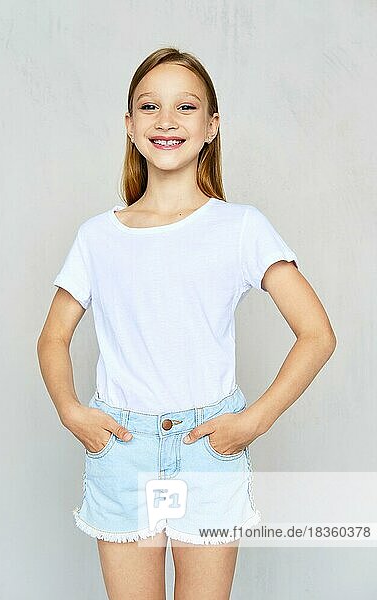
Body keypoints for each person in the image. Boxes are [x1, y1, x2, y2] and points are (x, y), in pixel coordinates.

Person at [37, 47, 336, 600]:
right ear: (130, 126)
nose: (166, 121)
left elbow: (317, 334)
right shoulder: (98, 237)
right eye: (149, 107)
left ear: (211, 126)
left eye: (186, 107)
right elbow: (53, 337)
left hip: (208, 447)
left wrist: (254, 421)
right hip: (122, 448)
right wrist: (70, 410)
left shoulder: (241, 227)